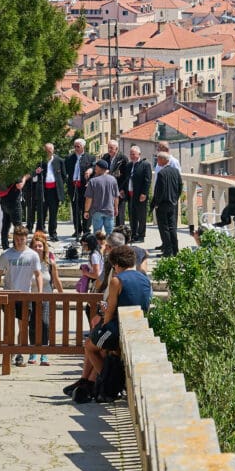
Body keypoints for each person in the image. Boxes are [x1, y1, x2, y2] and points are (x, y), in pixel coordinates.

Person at [80, 245, 151, 383]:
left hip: (119, 327)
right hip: (138, 326)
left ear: (116, 265)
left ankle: (109, 382)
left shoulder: (117, 280)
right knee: (106, 348)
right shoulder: (145, 279)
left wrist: (104, 325)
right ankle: (99, 381)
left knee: (89, 345)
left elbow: (111, 310)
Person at [0, 226, 43, 367]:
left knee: (23, 326)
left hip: (25, 295)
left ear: (26, 239)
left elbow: (38, 274)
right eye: (17, 239)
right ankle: (8, 353)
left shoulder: (32, 255)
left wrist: (39, 293)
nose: (19, 241)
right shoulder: (6, 254)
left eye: (22, 239)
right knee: (9, 326)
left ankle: (19, 353)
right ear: (13, 238)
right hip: (9, 294)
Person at [27, 233, 62, 366]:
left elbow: (56, 280)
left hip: (46, 296)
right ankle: (33, 351)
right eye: (35, 246)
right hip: (31, 296)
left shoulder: (50, 263)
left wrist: (62, 294)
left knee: (45, 323)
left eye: (40, 246)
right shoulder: (28, 262)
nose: (38, 248)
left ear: (44, 247)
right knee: (32, 325)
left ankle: (44, 352)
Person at [29, 143, 67, 239]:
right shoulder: (40, 161)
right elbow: (33, 173)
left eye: (50, 149)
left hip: (54, 191)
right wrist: (36, 171)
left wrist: (59, 186)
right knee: (41, 213)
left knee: (53, 214)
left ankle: (53, 234)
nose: (48, 151)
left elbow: (63, 176)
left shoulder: (59, 160)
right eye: (47, 150)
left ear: (53, 150)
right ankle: (40, 234)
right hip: (43, 190)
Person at [151, 151, 183, 256]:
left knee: (164, 228)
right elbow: (180, 186)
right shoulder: (176, 171)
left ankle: (168, 251)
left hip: (163, 204)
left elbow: (159, 191)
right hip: (173, 203)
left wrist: (156, 203)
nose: (157, 161)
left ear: (163, 160)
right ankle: (175, 250)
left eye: (158, 159)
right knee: (172, 227)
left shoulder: (161, 173)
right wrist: (175, 198)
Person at [64, 138, 95, 239]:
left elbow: (95, 168)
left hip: (85, 186)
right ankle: (77, 230)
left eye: (78, 146)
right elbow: (65, 171)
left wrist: (90, 170)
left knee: (86, 208)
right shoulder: (69, 158)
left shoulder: (90, 158)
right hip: (73, 186)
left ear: (83, 147)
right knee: (75, 208)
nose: (76, 148)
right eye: (75, 146)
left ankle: (86, 229)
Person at [84, 158, 120, 237]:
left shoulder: (93, 181)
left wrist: (86, 211)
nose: (95, 169)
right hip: (109, 210)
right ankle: (109, 248)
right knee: (110, 234)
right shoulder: (113, 180)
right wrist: (116, 208)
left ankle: (98, 248)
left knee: (97, 234)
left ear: (100, 168)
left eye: (96, 167)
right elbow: (116, 196)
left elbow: (89, 198)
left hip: (97, 211)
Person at [125, 145, 153, 243]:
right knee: (132, 216)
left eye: (133, 154)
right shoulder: (129, 165)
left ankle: (141, 235)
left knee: (141, 216)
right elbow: (126, 179)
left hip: (140, 195)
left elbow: (147, 180)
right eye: (130, 154)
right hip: (130, 194)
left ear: (139, 154)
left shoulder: (145, 165)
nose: (131, 156)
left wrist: (144, 193)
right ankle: (134, 234)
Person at [0, 174, 28, 250]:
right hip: (14, 202)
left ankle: (5, 246)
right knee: (18, 226)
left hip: (4, 201)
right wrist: (25, 177)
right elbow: (19, 185)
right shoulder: (15, 170)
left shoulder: (4, 170)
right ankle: (16, 246)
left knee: (5, 224)